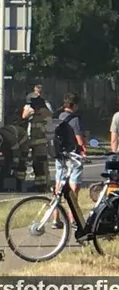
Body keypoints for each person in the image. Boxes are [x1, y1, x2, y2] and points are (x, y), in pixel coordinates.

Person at [52, 92, 86, 229]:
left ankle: (56, 218)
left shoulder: (58, 117)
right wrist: (83, 150)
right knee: (74, 186)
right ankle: (73, 218)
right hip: (73, 155)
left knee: (59, 185)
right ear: (75, 105)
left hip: (60, 155)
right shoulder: (74, 119)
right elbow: (79, 138)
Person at [20, 95, 52, 192]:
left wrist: (33, 112)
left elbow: (48, 127)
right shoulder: (35, 112)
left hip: (41, 144)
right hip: (35, 143)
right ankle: (39, 185)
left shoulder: (44, 112)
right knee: (37, 165)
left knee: (41, 165)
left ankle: (44, 185)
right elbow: (23, 116)